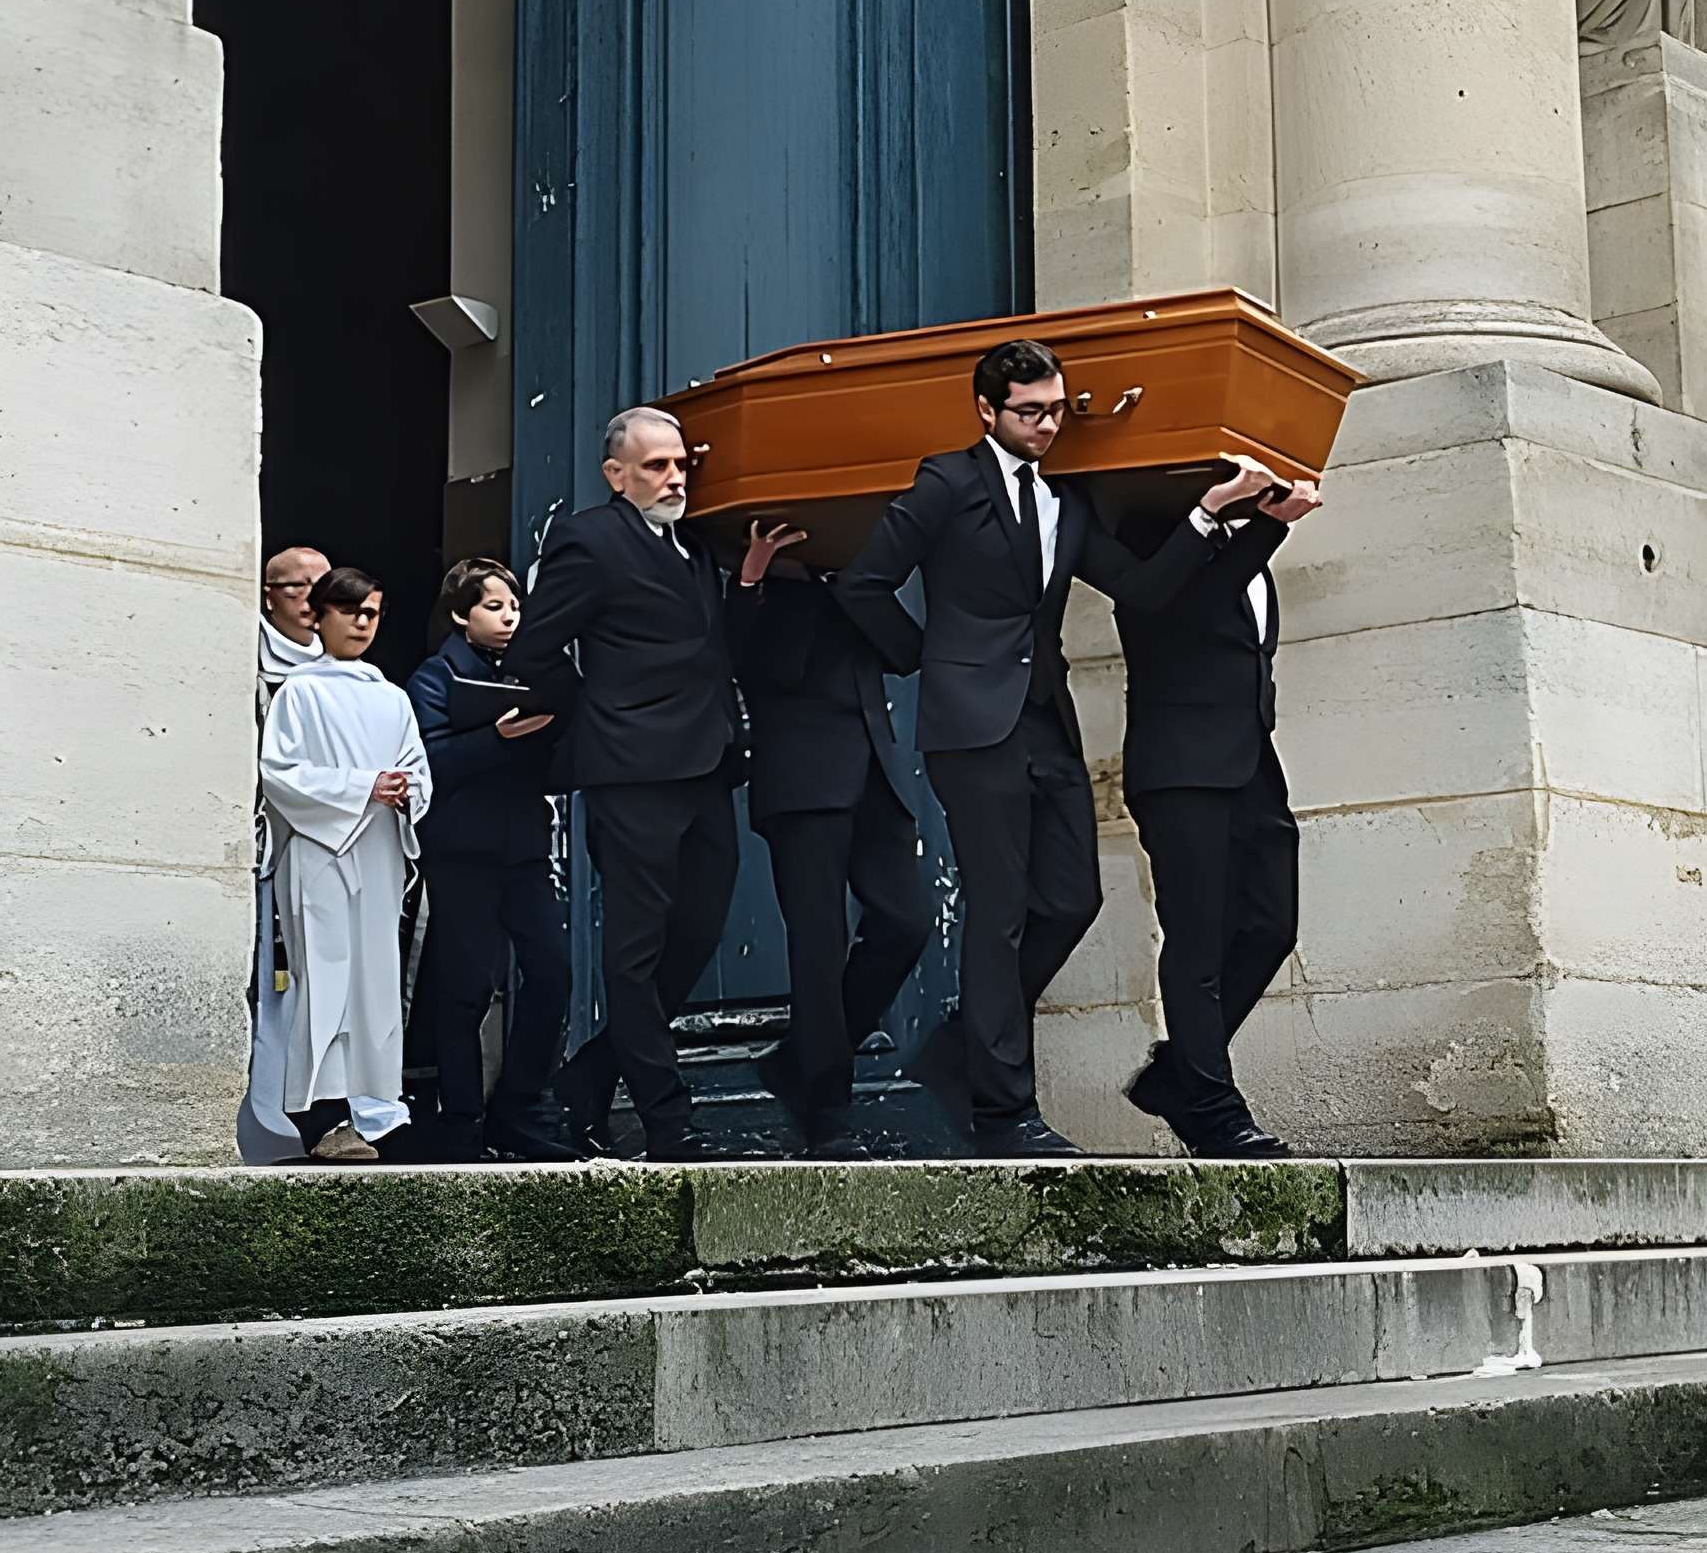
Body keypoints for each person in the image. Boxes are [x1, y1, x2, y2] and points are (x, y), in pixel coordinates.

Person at [836, 338, 1276, 1157]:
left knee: (1073, 898)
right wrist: (924, 658)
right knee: (998, 913)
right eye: (1028, 412)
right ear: (986, 411)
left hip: (1046, 721)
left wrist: (1219, 516)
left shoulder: (1067, 503)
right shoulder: (947, 481)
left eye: (1054, 411)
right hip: (973, 727)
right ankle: (1005, 1116)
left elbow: (1145, 589)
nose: (1045, 426)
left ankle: (965, 1049)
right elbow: (862, 583)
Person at [509, 406, 746, 1161]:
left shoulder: (696, 546)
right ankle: (666, 1121)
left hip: (706, 765)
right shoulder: (589, 538)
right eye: (655, 467)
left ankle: (590, 1077)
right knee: (636, 950)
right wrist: (594, 716)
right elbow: (536, 649)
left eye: (680, 464)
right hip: (630, 771)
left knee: (699, 930)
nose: (674, 478)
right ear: (617, 476)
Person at [1112, 475, 1324, 1157]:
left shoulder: (1244, 541)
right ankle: (1210, 1106)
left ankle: (1177, 1075)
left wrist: (1260, 524)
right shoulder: (1149, 533)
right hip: (1179, 767)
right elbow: (1188, 609)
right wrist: (1267, 525)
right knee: (1197, 941)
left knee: (1269, 924)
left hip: (1250, 761)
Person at [731, 518, 927, 1156]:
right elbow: (751, 664)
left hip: (874, 777)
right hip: (802, 785)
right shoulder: (747, 586)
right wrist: (757, 572)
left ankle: (801, 1061)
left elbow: (906, 651)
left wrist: (854, 577)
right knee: (818, 946)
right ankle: (826, 1106)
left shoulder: (853, 584)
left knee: (907, 922)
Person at [254, 567, 433, 1162]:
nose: (362, 622)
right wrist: (362, 787)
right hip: (321, 851)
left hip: (377, 848)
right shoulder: (299, 693)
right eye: (350, 610)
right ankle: (322, 1113)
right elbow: (281, 774)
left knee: (375, 980)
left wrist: (405, 793)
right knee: (325, 974)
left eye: (373, 613)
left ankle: (376, 1110)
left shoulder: (393, 697)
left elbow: (418, 769)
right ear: (319, 615)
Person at [408, 558, 579, 1162]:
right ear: (461, 614)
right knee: (467, 989)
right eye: (494, 607)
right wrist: (496, 739)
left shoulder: (531, 670)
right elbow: (426, 764)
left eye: (514, 608)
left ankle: (520, 1105)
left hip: (524, 847)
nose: (509, 618)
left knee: (553, 971)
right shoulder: (434, 677)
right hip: (462, 850)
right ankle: (460, 1123)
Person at [240, 542, 332, 1165]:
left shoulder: (348, 668)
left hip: (334, 845)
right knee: (264, 981)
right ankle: (261, 1118)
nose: (311, 600)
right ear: (269, 597)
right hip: (269, 842)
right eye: (295, 588)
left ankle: (316, 1117)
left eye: (322, 586)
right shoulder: (249, 662)